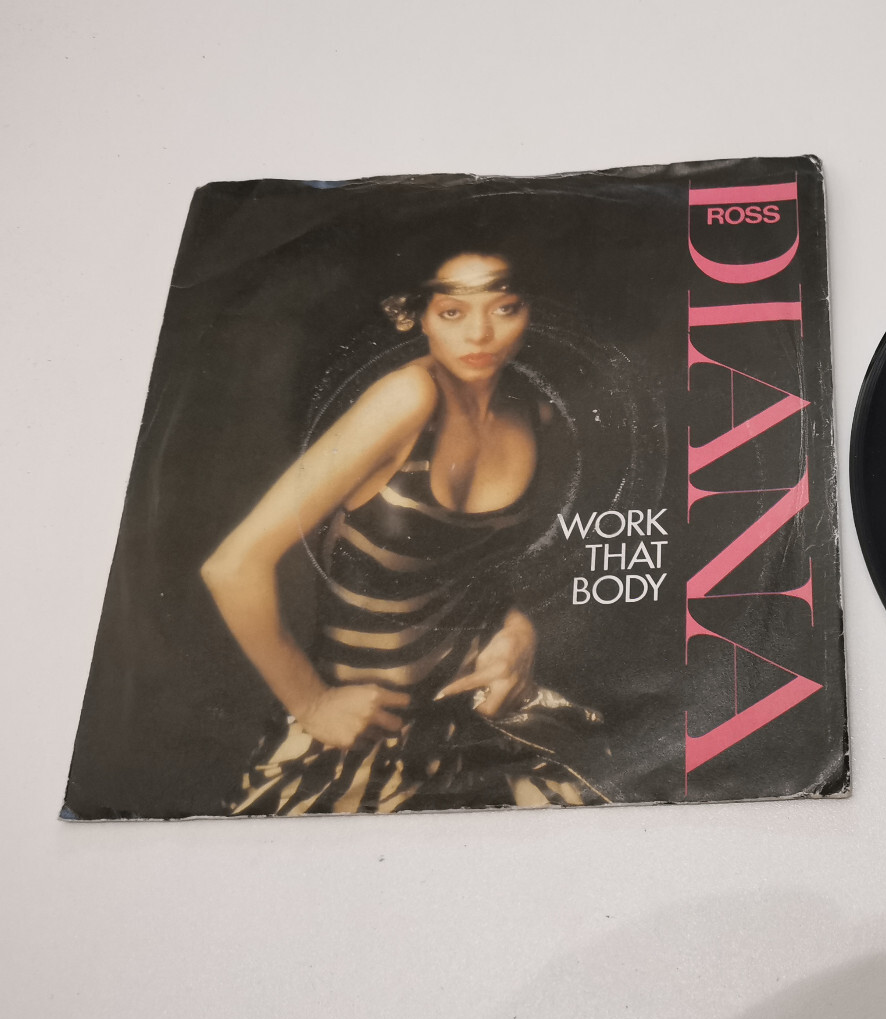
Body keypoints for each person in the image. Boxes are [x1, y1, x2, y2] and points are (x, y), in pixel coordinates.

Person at [202, 252, 604, 815]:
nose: (480, 333)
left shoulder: (534, 413)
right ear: (414, 314)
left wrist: (519, 628)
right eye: (453, 311)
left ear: (530, 311)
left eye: (504, 307)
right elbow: (232, 566)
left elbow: (473, 565)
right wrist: (312, 704)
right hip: (365, 749)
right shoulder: (406, 400)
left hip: (477, 731)